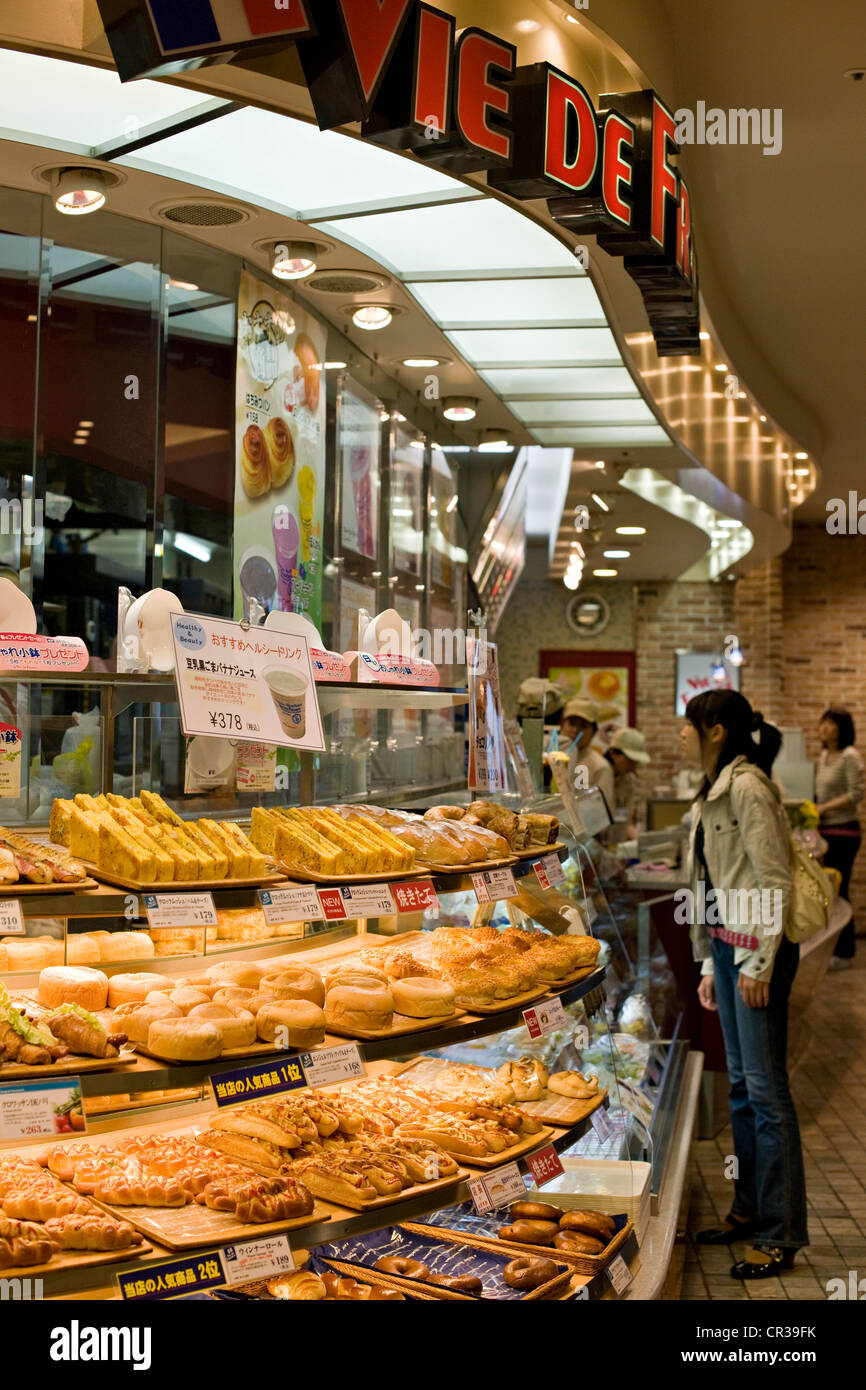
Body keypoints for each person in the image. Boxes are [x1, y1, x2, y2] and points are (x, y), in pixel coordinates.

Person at [681, 689, 807, 1279]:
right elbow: (711, 882)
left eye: (690, 725)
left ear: (717, 731)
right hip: (728, 950)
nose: (683, 734)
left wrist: (758, 962)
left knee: (766, 1093)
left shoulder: (748, 787)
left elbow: (773, 880)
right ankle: (748, 1210)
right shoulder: (712, 788)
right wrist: (711, 962)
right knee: (740, 1088)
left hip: (758, 953)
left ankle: (780, 1234)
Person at [814, 705, 863, 968]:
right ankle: (834, 948)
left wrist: (823, 808)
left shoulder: (849, 756)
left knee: (838, 889)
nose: (823, 727)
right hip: (824, 831)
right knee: (827, 890)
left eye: (830, 723)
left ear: (842, 729)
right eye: (823, 722)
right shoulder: (824, 756)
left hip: (844, 831)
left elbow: (856, 794)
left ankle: (845, 952)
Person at [549, 697, 615, 811]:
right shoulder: (548, 758)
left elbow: (603, 811)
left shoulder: (600, 767)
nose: (575, 730)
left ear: (593, 731)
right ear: (562, 725)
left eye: (583, 726)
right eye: (572, 724)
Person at [604, 727, 651, 839]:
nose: (634, 765)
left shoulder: (629, 780)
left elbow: (628, 824)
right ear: (613, 753)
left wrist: (641, 842)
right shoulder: (599, 771)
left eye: (636, 761)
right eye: (630, 759)